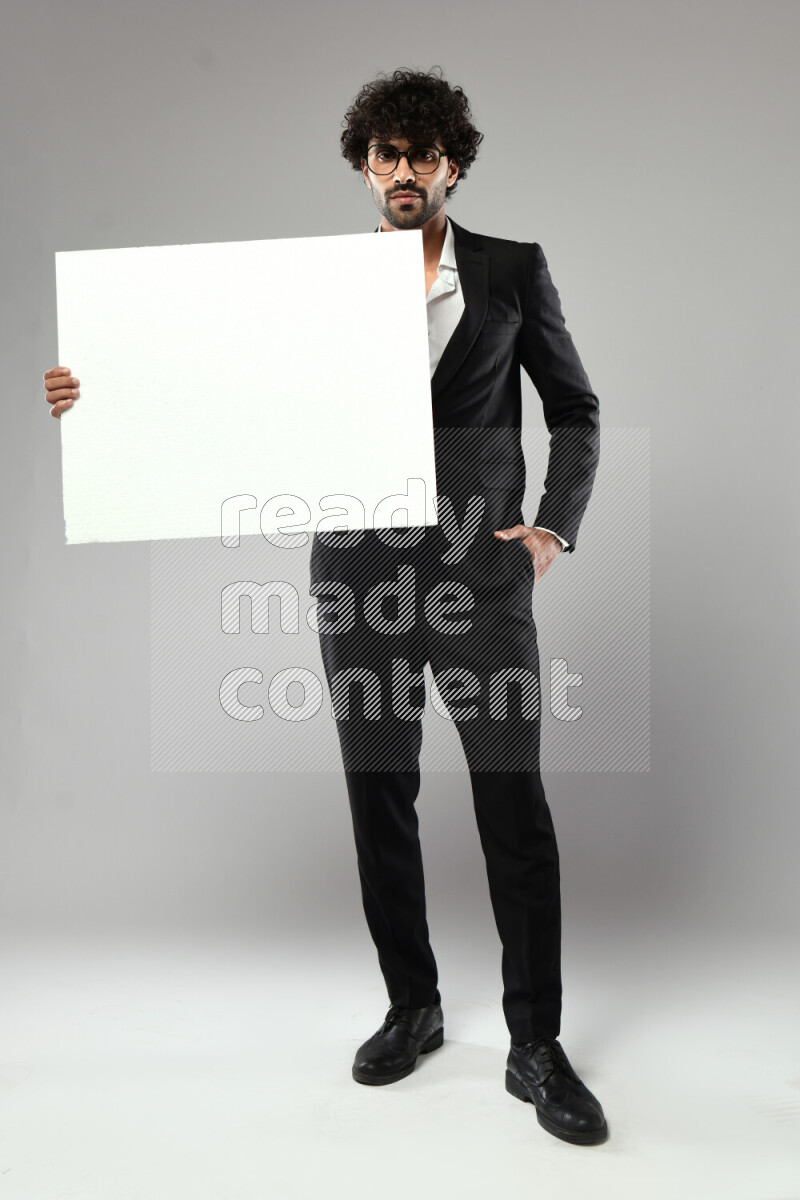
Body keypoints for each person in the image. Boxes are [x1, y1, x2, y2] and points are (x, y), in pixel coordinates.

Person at [42, 66, 606, 1146]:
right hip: (358, 578)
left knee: (512, 809)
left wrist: (552, 523)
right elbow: (207, 386)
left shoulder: (509, 270)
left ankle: (534, 1044)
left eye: (423, 154)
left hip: (479, 577)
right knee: (377, 799)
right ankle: (414, 1007)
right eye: (385, 155)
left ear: (453, 164)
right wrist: (95, 389)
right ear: (364, 168)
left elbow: (574, 410)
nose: (404, 171)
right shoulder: (312, 288)